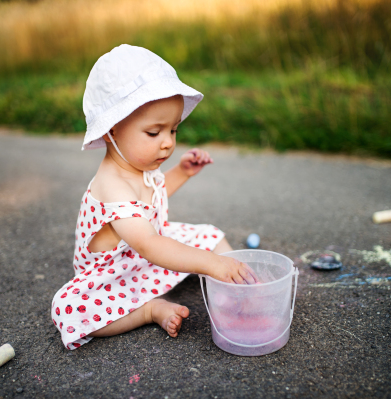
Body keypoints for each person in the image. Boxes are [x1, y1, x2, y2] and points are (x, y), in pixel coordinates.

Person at [51, 44, 256, 350]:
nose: (167, 144)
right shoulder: (112, 184)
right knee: (68, 309)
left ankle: (236, 291)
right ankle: (147, 310)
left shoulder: (139, 165)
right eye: (154, 132)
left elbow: (152, 200)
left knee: (208, 235)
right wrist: (209, 264)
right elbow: (148, 244)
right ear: (111, 131)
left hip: (145, 251)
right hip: (113, 270)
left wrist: (182, 173)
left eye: (173, 130)